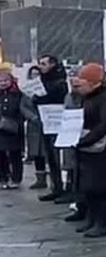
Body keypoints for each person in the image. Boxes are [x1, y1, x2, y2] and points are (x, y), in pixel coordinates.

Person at [71, 63, 106, 238]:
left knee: (100, 187)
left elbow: (105, 124)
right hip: (85, 146)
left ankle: (103, 223)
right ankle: (92, 219)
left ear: (93, 83)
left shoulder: (105, 97)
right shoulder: (87, 96)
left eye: (81, 84)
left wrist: (85, 140)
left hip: (100, 148)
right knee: (87, 187)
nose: (78, 87)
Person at [31, 55, 68, 201]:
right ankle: (56, 186)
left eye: (44, 64)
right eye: (40, 64)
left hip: (56, 120)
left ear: (52, 65)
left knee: (58, 156)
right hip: (46, 120)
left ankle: (64, 187)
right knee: (51, 157)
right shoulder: (42, 80)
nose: (41, 66)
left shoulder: (59, 81)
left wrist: (39, 98)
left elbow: (54, 96)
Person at [0, 64, 36, 189]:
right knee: (1, 154)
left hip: (14, 128)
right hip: (1, 129)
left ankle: (16, 178)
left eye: (5, 80)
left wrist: (19, 120)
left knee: (15, 154)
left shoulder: (18, 94)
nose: (3, 83)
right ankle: (3, 177)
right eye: (0, 81)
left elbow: (23, 109)